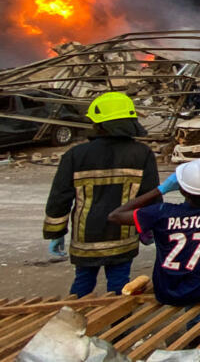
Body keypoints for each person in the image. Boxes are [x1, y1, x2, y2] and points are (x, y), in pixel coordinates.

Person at [108, 158, 200, 333]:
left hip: (165, 288)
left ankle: (196, 330)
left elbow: (115, 216)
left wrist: (159, 189)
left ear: (181, 189)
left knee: (194, 273)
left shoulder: (160, 212)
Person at [43, 92, 159, 297]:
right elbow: (151, 196)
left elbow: (60, 197)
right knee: (119, 283)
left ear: (101, 125)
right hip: (122, 237)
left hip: (85, 238)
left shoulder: (76, 155)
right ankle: (119, 326)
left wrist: (56, 232)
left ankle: (72, 321)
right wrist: (149, 227)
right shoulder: (142, 153)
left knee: (83, 282)